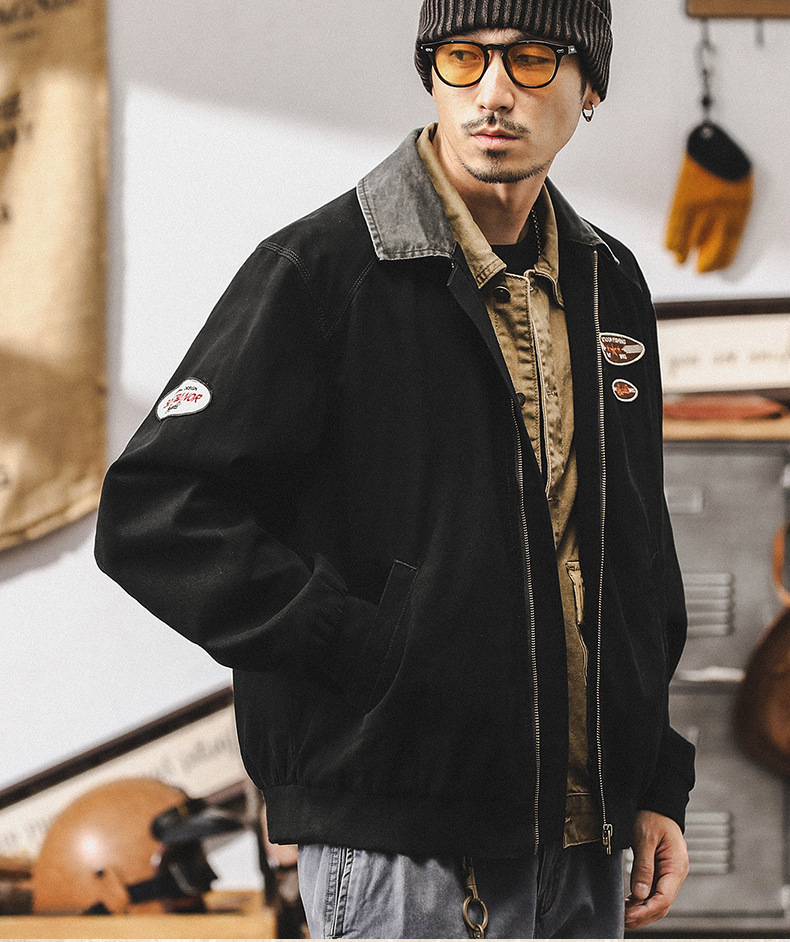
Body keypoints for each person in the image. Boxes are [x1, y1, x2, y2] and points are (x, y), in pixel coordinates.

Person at [94, 0, 695, 937]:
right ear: (432, 74)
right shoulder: (322, 270)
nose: (492, 92)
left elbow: (637, 553)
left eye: (532, 60)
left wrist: (656, 779)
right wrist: (358, 645)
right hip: (403, 850)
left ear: (591, 88)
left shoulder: (607, 281)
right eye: (463, 58)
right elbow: (155, 512)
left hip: (586, 845)